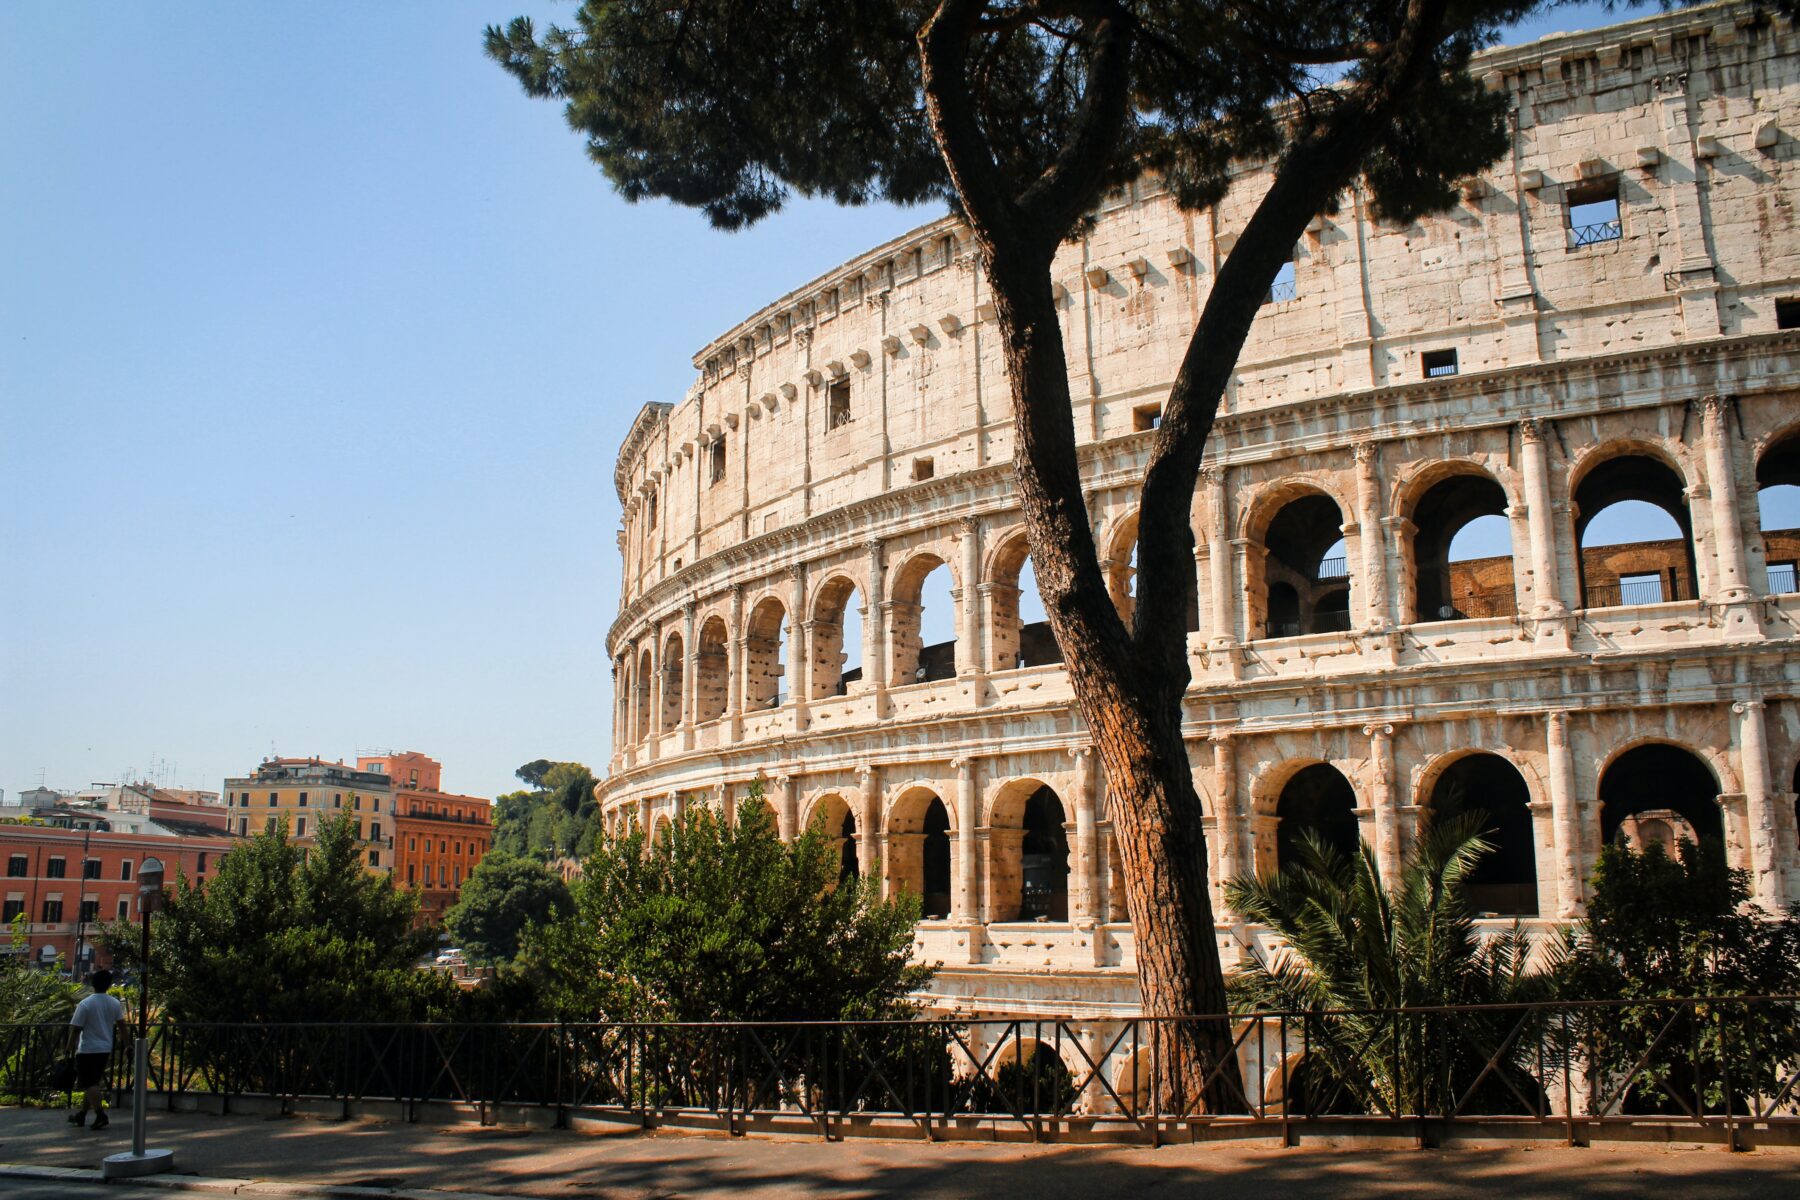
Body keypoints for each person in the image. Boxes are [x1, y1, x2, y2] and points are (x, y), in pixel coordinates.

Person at [65, 967, 123, 1130]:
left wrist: (69, 1048)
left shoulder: (85, 1004)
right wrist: (128, 1044)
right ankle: (82, 1115)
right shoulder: (114, 1003)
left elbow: (76, 1028)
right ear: (109, 985)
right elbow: (122, 1025)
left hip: (87, 1048)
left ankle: (100, 1114)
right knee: (92, 1083)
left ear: (92, 984)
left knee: (88, 1082)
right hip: (105, 1047)